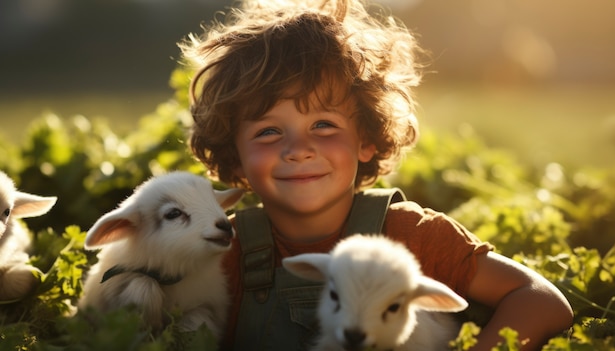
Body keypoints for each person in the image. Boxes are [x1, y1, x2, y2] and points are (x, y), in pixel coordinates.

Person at [178, 0, 573, 350]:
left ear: (366, 138)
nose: (298, 149)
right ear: (235, 157)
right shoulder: (221, 254)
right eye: (268, 131)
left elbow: (539, 299)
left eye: (323, 126)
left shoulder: (412, 236)